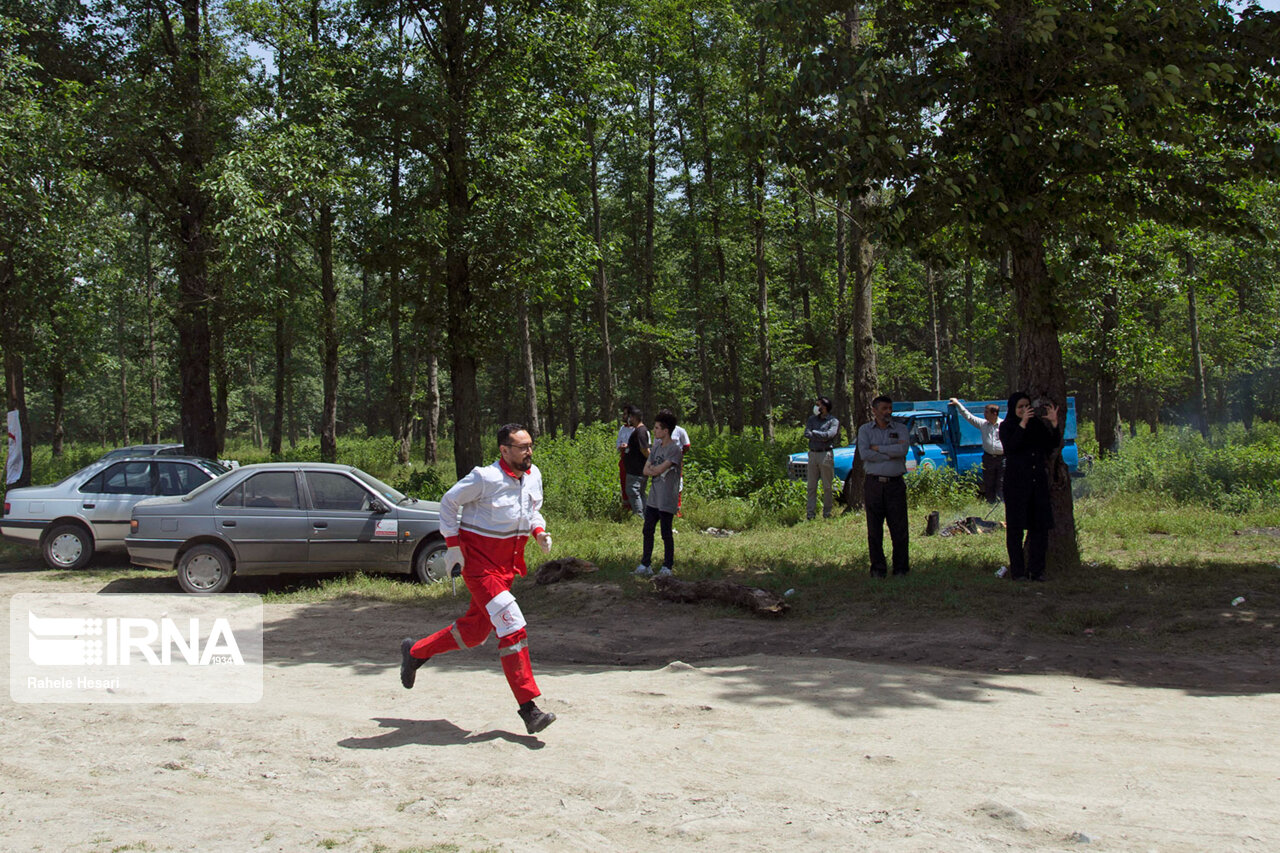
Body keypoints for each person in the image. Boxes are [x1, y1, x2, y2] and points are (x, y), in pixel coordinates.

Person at [399, 424, 557, 735]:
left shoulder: (533, 475)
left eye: (530, 446)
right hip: (480, 569)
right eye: (522, 447)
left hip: (507, 569)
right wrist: (454, 545)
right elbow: (448, 502)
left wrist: (538, 532)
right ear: (504, 450)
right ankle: (529, 709)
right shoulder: (484, 478)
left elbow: (532, 510)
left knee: (474, 633)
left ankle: (415, 652)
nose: (529, 452)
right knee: (512, 626)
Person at [998, 392, 1061, 582]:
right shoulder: (1007, 426)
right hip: (1016, 484)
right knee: (1016, 529)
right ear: (1013, 409)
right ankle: (1018, 572)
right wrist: (1022, 424)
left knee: (1039, 528)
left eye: (1027, 406)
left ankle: (1037, 570)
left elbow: (1051, 446)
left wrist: (1054, 424)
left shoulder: (1037, 426)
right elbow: (1011, 447)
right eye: (1020, 407)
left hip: (1037, 483)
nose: (1024, 410)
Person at [857, 395, 910, 576]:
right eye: (884, 408)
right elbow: (864, 453)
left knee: (899, 529)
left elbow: (902, 450)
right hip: (874, 485)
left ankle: (901, 569)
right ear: (874, 410)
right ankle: (878, 569)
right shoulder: (865, 430)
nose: (888, 412)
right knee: (874, 530)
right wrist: (891, 453)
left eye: (890, 408)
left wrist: (878, 448)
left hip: (895, 485)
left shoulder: (901, 428)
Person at [635, 410, 682, 577]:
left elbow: (659, 469)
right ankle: (645, 564)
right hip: (654, 498)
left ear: (665, 430)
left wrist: (653, 469)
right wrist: (653, 469)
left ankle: (667, 566)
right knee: (647, 530)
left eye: (656, 428)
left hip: (667, 498)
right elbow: (646, 470)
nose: (654, 431)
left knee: (665, 533)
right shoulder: (655, 447)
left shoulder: (674, 450)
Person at [949, 397, 1004, 503]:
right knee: (989, 482)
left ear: (994, 414)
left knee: (1001, 482)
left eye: (987, 412)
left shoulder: (1004, 425)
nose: (984, 414)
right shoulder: (983, 424)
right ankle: (990, 503)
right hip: (988, 458)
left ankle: (1001, 504)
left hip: (1002, 459)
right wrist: (958, 404)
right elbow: (968, 416)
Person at [804, 395, 840, 520]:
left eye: (819, 405)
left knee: (827, 486)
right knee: (811, 486)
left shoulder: (833, 421)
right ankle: (810, 514)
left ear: (824, 407)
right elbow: (806, 433)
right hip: (813, 454)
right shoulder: (811, 419)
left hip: (826, 455)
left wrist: (815, 433)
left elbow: (829, 435)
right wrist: (819, 435)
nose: (816, 407)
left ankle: (827, 513)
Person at [622, 407, 650, 516]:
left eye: (630, 417)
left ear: (634, 418)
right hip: (638, 468)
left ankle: (639, 516)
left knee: (633, 492)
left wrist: (650, 462)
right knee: (640, 493)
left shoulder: (640, 431)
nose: (629, 420)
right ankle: (646, 515)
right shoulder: (639, 431)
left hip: (637, 469)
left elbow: (644, 449)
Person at [616, 406, 636, 508]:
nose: (623, 416)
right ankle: (626, 505)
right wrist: (621, 446)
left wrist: (629, 446)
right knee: (623, 481)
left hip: (634, 460)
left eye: (625, 414)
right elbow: (618, 443)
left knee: (633, 483)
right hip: (624, 458)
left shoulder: (638, 429)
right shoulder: (622, 429)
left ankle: (636, 506)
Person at [670, 420, 691, 516]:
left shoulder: (680, 431)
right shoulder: (660, 430)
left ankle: (677, 509)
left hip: (676, 461)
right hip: (663, 460)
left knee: (678, 483)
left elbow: (687, 445)